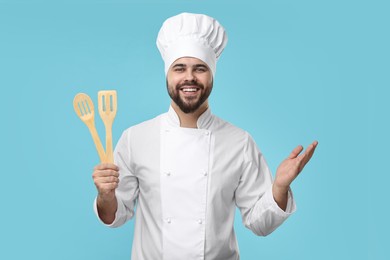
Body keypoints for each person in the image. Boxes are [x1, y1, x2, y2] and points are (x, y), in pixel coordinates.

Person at [92, 12, 318, 260]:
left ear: (211, 75)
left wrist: (279, 188)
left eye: (200, 68)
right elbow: (116, 215)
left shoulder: (239, 143)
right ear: (168, 74)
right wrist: (105, 196)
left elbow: (259, 223)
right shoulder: (135, 138)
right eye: (180, 68)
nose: (189, 77)